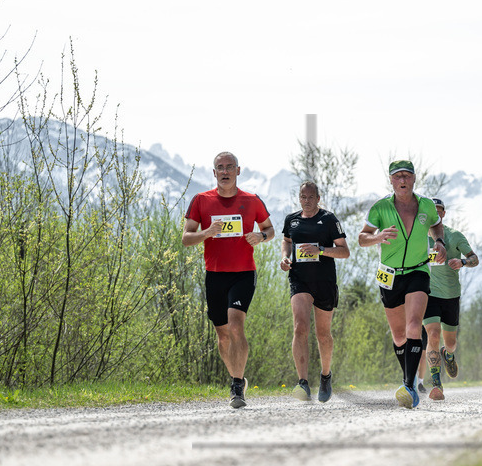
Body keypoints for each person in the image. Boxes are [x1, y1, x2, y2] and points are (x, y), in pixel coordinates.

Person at [182, 151, 275, 409]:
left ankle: (236, 384)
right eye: (220, 168)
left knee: (236, 325)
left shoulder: (252, 200)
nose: (225, 171)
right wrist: (207, 232)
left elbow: (270, 229)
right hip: (215, 276)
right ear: (214, 173)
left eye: (229, 167)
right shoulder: (201, 201)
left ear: (238, 170)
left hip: (244, 272)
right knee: (223, 336)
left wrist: (261, 237)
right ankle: (237, 375)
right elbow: (186, 238)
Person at [359, 160, 446, 408]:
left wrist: (439, 242)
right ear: (391, 180)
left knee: (413, 326)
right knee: (398, 336)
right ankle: (407, 378)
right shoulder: (380, 207)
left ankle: (409, 386)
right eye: (398, 176)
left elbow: (436, 224)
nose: (403, 180)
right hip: (389, 275)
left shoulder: (426, 205)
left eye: (407, 175)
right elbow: (361, 238)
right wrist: (377, 237)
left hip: (418, 271)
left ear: (414, 178)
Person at [280, 181, 350, 403]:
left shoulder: (329, 220)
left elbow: (344, 251)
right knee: (300, 327)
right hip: (300, 280)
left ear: (318, 198)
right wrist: (284, 257)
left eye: (310, 197)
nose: (306, 200)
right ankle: (302, 382)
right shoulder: (291, 220)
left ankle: (325, 375)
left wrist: (320, 250)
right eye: (302, 196)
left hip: (325, 282)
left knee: (323, 334)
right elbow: (286, 241)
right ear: (298, 197)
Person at [412, 198, 478, 400]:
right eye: (431, 211)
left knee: (450, 343)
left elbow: (475, 258)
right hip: (428, 294)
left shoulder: (454, 236)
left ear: (443, 214)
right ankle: (436, 383)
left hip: (451, 295)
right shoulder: (418, 236)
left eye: (438, 211)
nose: (435, 214)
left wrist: (463, 261)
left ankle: (448, 354)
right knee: (432, 334)